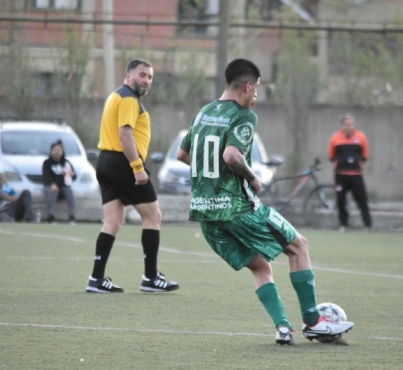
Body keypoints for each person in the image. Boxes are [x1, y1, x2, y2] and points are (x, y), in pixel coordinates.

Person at [176, 58, 353, 344]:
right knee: (298, 246)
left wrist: (211, 181)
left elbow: (182, 156)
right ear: (247, 86)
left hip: (206, 217)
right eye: (256, 90)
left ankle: (283, 328)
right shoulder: (243, 116)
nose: (256, 97)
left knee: (260, 267)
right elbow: (232, 156)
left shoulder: (203, 113)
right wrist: (253, 178)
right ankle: (313, 321)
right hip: (238, 209)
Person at [85, 58, 179, 293]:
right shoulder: (128, 98)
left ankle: (96, 279)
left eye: (150, 77)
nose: (146, 80)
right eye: (142, 75)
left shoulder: (116, 95)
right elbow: (124, 135)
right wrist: (137, 167)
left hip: (106, 161)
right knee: (153, 216)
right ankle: (150, 278)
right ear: (128, 76)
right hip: (123, 163)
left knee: (113, 221)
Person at [328, 115, 372, 232]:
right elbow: (331, 156)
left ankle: (367, 225)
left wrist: (359, 164)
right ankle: (343, 224)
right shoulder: (335, 138)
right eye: (347, 125)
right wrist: (338, 165)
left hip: (356, 175)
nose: (349, 127)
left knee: (362, 200)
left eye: (351, 124)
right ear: (342, 126)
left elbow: (365, 155)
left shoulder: (361, 137)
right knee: (341, 200)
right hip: (340, 175)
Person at [42, 140, 76, 224]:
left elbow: (73, 176)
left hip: (63, 186)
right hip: (51, 185)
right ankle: (51, 216)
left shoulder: (66, 162)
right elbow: (46, 176)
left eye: (59, 150)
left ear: (62, 151)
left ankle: (72, 217)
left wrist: (72, 174)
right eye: (55, 150)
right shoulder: (47, 163)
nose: (57, 152)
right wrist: (52, 184)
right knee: (52, 191)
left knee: (69, 191)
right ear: (51, 151)